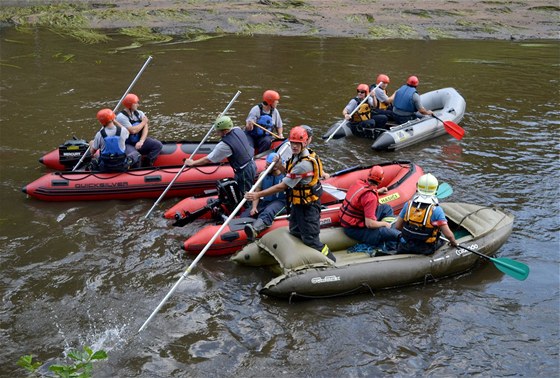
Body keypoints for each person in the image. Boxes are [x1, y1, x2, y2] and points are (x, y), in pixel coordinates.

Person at [244, 126, 336, 262]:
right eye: (292, 143)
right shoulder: (296, 157)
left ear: (304, 143)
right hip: (298, 204)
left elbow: (283, 186)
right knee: (294, 231)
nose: (294, 146)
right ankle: (302, 258)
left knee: (312, 240)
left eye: (297, 144)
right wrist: (280, 165)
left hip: (308, 206)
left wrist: (258, 195)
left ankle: (331, 260)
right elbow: (288, 172)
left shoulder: (304, 164)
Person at [185, 116, 256, 196]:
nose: (216, 133)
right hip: (252, 163)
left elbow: (208, 159)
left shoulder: (224, 145)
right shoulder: (237, 129)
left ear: (225, 131)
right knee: (241, 188)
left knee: (245, 194)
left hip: (244, 171)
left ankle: (248, 207)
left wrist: (193, 163)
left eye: (218, 131)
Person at [339, 165, 400, 252]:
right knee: (384, 231)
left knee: (386, 208)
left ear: (368, 176)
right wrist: (383, 224)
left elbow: (362, 195)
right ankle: (391, 246)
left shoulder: (358, 183)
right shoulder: (371, 197)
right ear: (381, 180)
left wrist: (378, 191)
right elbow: (369, 224)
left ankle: (390, 232)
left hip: (350, 222)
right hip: (354, 229)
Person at [394, 173, 458, 255]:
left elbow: (398, 226)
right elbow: (449, 235)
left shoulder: (408, 205)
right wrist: (453, 242)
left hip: (405, 246)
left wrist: (412, 234)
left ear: (417, 186)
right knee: (442, 241)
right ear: (435, 189)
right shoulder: (436, 210)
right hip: (425, 249)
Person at [243, 152, 287, 241]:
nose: (265, 168)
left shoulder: (285, 176)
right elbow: (257, 191)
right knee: (247, 214)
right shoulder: (263, 175)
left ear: (274, 167)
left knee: (268, 211)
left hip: (282, 202)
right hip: (266, 201)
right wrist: (254, 207)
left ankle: (255, 230)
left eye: (267, 166)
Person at [115, 93, 163, 167]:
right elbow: (133, 131)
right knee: (136, 155)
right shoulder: (121, 117)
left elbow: (145, 127)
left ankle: (147, 163)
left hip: (139, 141)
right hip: (126, 144)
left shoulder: (139, 113)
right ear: (130, 105)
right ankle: (135, 170)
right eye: (136, 103)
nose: (138, 105)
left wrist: (141, 141)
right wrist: (143, 122)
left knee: (158, 145)